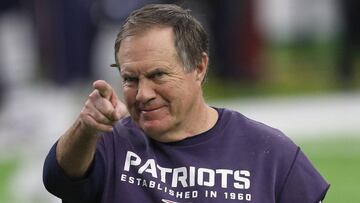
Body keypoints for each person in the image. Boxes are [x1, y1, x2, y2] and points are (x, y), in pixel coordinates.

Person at [43, 4, 329, 203]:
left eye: (157, 75)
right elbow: (58, 178)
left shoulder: (273, 155)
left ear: (199, 67)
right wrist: (87, 128)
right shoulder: (106, 143)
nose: (143, 93)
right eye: (130, 79)